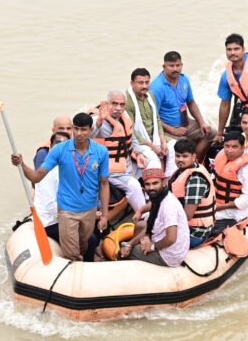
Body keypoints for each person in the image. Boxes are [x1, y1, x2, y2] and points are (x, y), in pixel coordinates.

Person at [12, 113, 110, 261]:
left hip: (89, 209)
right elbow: (36, 177)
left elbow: (104, 183)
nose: (78, 133)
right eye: (76, 129)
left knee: (86, 244)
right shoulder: (59, 150)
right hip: (66, 211)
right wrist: (22, 164)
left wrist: (105, 216)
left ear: (91, 130)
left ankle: (86, 262)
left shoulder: (101, 152)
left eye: (83, 129)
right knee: (72, 254)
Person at [33, 131, 100, 260]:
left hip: (68, 214)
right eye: (58, 144)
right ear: (51, 148)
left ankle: (94, 253)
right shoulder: (46, 172)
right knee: (90, 239)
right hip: (51, 222)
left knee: (94, 225)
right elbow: (51, 206)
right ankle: (85, 264)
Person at [119, 168, 190, 267]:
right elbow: (150, 228)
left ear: (163, 183)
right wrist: (130, 244)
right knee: (130, 243)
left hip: (169, 256)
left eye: (155, 183)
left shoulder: (168, 205)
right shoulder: (159, 198)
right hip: (165, 246)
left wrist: (152, 247)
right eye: (147, 184)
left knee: (122, 253)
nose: (151, 187)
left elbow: (171, 239)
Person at [150, 51, 213, 161]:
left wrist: (202, 122)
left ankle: (195, 161)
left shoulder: (184, 79)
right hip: (167, 129)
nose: (175, 69)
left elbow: (191, 102)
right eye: (171, 66)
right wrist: (172, 130)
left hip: (185, 124)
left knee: (211, 133)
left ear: (182, 65)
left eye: (178, 65)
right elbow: (152, 116)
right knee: (180, 147)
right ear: (164, 66)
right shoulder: (157, 87)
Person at [91, 89, 149, 211]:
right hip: (110, 170)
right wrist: (99, 121)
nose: (118, 108)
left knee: (151, 168)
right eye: (114, 104)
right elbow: (88, 137)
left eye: (122, 105)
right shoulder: (97, 119)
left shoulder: (124, 118)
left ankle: (151, 204)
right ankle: (144, 216)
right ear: (106, 103)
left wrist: (139, 153)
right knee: (134, 186)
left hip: (128, 165)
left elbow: (131, 138)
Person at [124, 68, 175, 177]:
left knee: (174, 146)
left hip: (154, 136)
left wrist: (163, 141)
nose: (144, 86)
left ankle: (168, 178)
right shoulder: (127, 101)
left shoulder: (150, 95)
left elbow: (157, 119)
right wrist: (153, 147)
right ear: (132, 83)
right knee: (154, 160)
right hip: (139, 141)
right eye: (140, 83)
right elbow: (131, 130)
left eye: (147, 82)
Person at [167, 139, 216, 247]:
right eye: (177, 156)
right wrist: (141, 210)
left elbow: (187, 215)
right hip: (185, 225)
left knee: (153, 233)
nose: (180, 159)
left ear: (193, 157)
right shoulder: (181, 171)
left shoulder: (195, 180)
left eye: (185, 156)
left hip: (195, 233)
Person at [211, 130, 248, 234]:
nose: (229, 150)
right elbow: (213, 178)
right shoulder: (221, 156)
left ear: (243, 147)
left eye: (234, 147)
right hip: (216, 204)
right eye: (227, 146)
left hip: (233, 212)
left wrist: (219, 207)